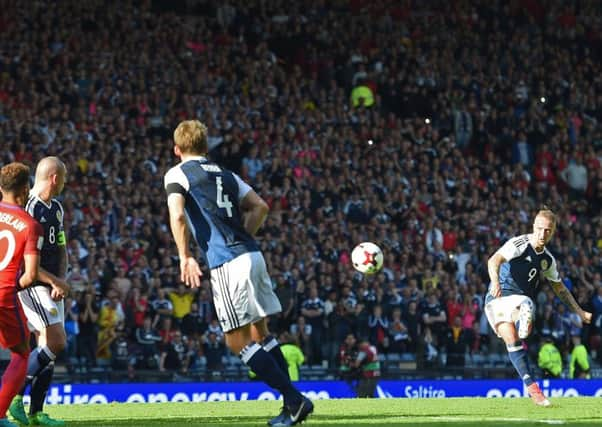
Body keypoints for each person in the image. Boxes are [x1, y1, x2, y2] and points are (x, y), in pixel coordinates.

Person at [164, 120, 312, 427]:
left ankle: (295, 399)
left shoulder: (177, 174)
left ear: (177, 149)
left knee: (236, 341)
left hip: (228, 262)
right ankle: (291, 404)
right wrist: (242, 236)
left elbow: (177, 214)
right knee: (262, 333)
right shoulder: (226, 174)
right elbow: (260, 207)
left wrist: (185, 256)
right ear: (206, 147)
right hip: (253, 254)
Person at [485, 208, 592, 407]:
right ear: (534, 227)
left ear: (553, 232)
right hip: (497, 298)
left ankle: (534, 391)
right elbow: (494, 260)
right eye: (540, 229)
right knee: (515, 330)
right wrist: (495, 281)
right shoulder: (519, 244)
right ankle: (525, 319)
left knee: (517, 327)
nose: (543, 234)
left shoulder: (547, 260)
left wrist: (579, 311)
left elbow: (560, 289)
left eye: (547, 230)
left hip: (517, 300)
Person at [10, 157, 70, 427]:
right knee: (56, 341)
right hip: (32, 283)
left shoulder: (56, 208)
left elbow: (61, 248)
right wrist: (53, 281)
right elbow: (24, 260)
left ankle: (36, 412)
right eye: (64, 178)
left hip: (53, 285)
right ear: (55, 178)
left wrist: (62, 280)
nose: (66, 183)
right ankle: (11, 395)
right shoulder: (29, 208)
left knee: (48, 347)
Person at [0, 162, 43, 427]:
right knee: (22, 352)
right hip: (4, 295)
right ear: (26, 189)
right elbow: (30, 275)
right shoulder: (30, 225)